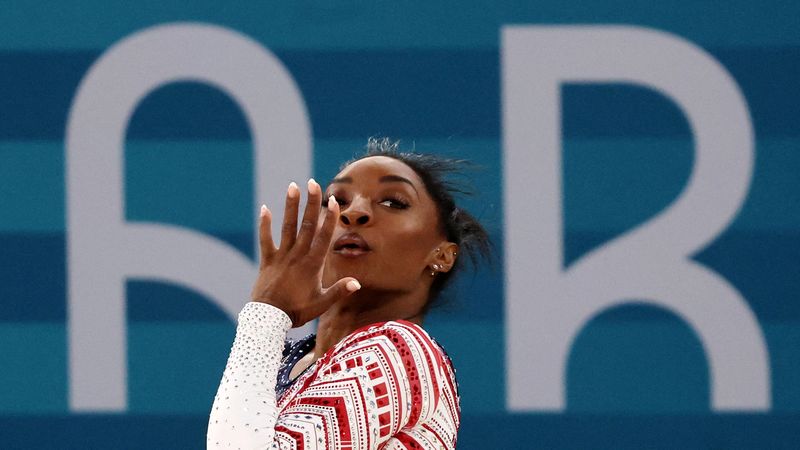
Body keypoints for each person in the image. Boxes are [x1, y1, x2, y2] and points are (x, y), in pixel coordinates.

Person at [207, 138, 490, 449]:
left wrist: (266, 312)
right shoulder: (285, 361)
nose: (353, 213)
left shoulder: (402, 350)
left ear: (442, 255)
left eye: (393, 202)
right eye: (336, 201)